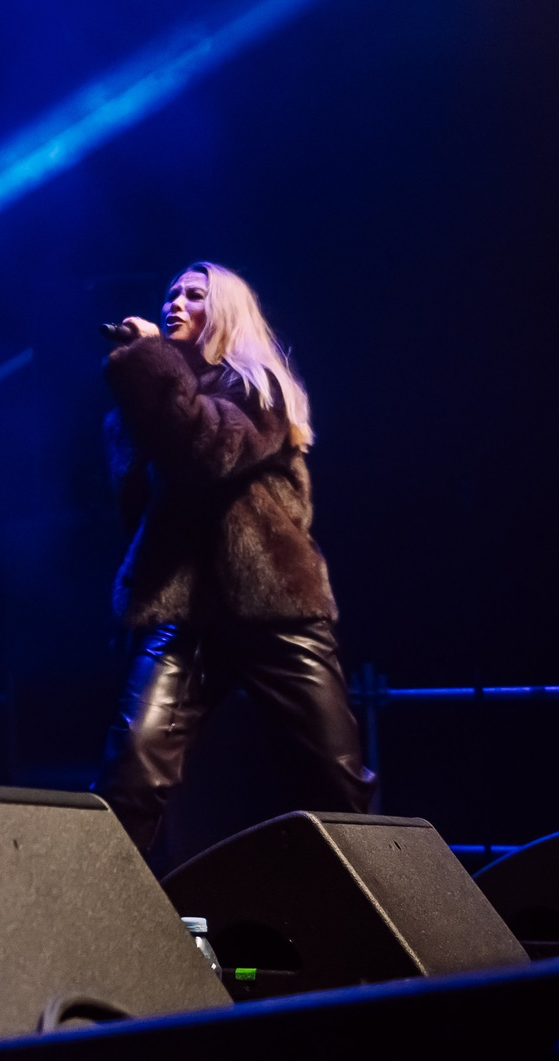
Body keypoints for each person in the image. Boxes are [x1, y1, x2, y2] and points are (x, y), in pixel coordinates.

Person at [93, 261, 374, 854]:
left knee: (333, 780)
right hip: (180, 610)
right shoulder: (143, 410)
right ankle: (97, 926)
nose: (175, 303)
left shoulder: (258, 386)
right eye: (171, 293)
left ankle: (379, 917)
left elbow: (211, 453)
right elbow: (141, 507)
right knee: (131, 777)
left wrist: (149, 363)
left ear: (224, 312)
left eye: (195, 295)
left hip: (273, 601)